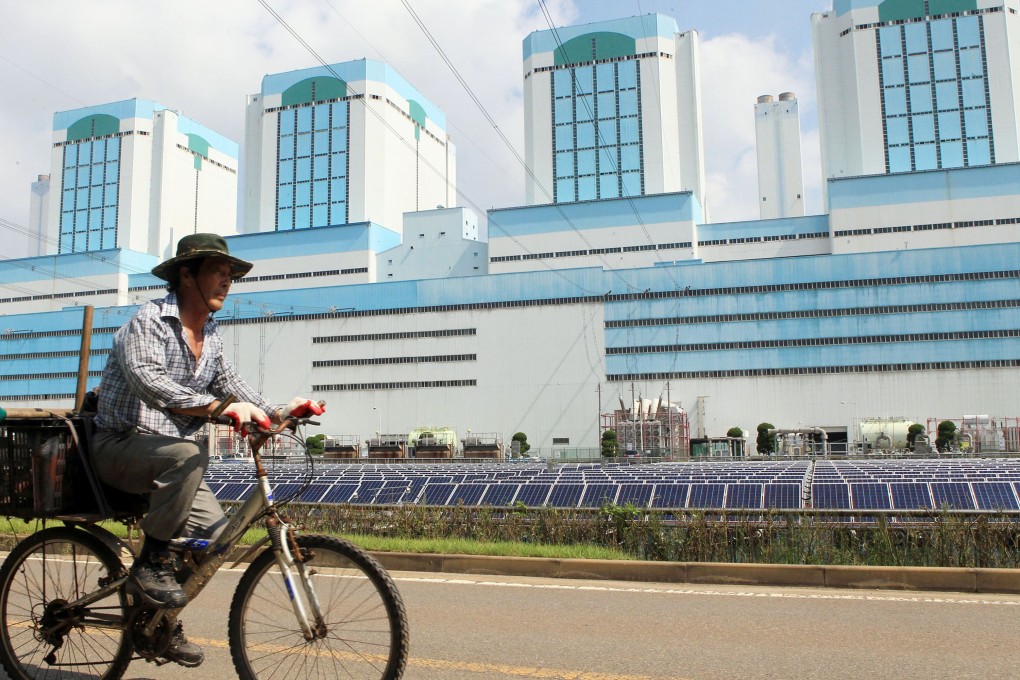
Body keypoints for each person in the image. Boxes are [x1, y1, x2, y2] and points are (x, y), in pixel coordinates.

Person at [92, 233, 324, 667]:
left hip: (173, 459)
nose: (226, 282)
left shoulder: (211, 336)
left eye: (230, 275)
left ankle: (158, 620)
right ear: (186, 275)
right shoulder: (147, 321)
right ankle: (150, 564)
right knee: (188, 456)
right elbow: (152, 383)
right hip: (119, 446)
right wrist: (220, 408)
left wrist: (278, 411)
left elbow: (235, 390)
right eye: (218, 272)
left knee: (214, 540)